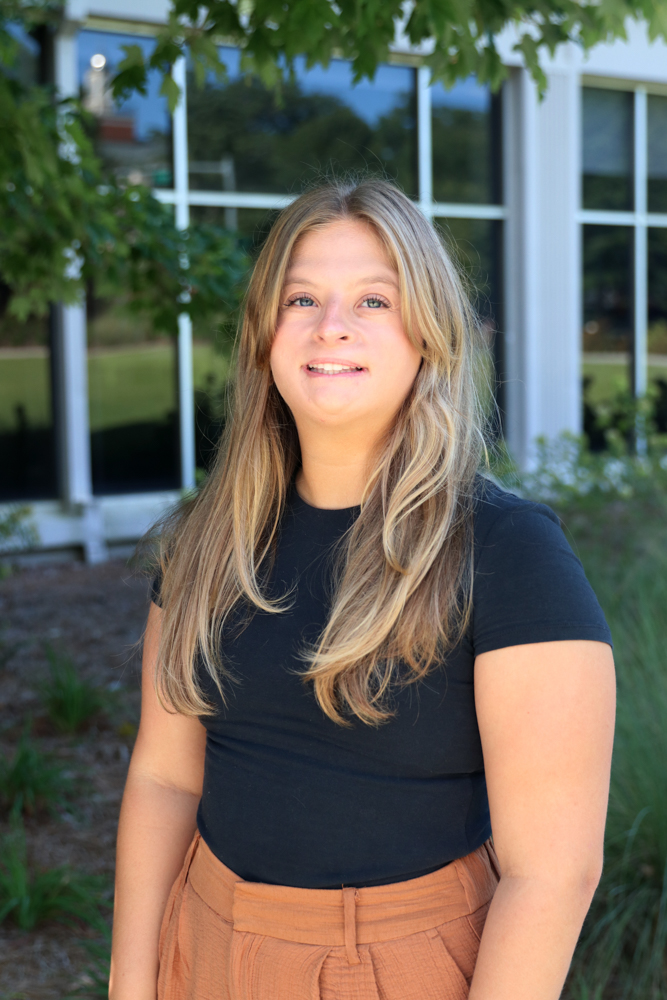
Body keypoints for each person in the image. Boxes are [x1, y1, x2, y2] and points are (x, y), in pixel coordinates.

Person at [109, 180, 615, 1000]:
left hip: (397, 963)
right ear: (264, 335)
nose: (330, 325)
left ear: (429, 337)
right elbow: (166, 780)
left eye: (372, 299)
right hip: (203, 939)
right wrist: (131, 983)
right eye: (301, 296)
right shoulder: (205, 541)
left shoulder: (508, 551)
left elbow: (553, 873)